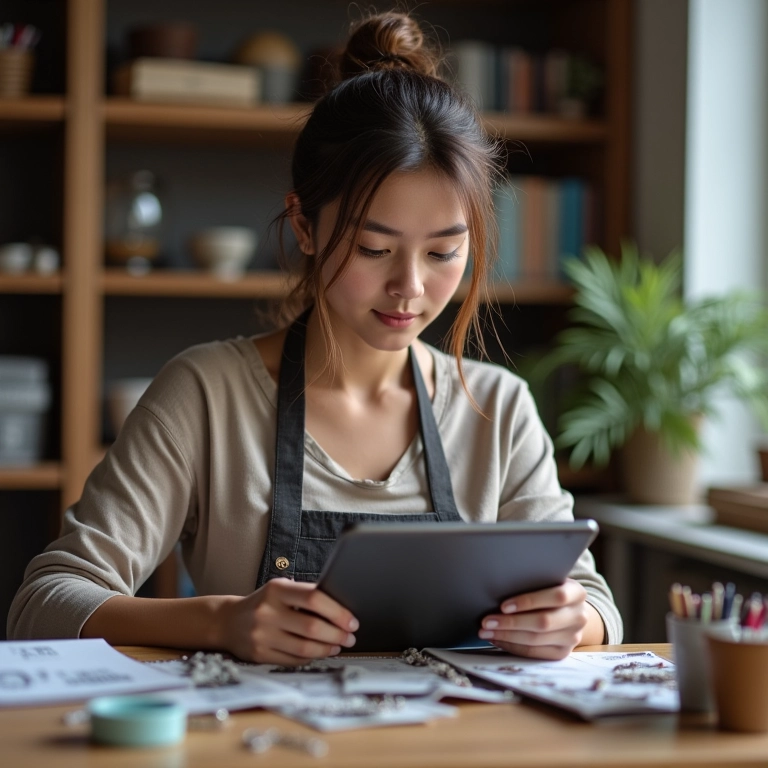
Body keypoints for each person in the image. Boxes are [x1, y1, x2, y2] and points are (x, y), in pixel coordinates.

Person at [8, 11, 621, 664]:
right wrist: (221, 623)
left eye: (444, 253)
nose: (409, 287)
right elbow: (41, 604)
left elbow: (595, 604)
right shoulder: (208, 394)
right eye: (374, 248)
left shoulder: (497, 408)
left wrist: (571, 623)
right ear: (304, 225)